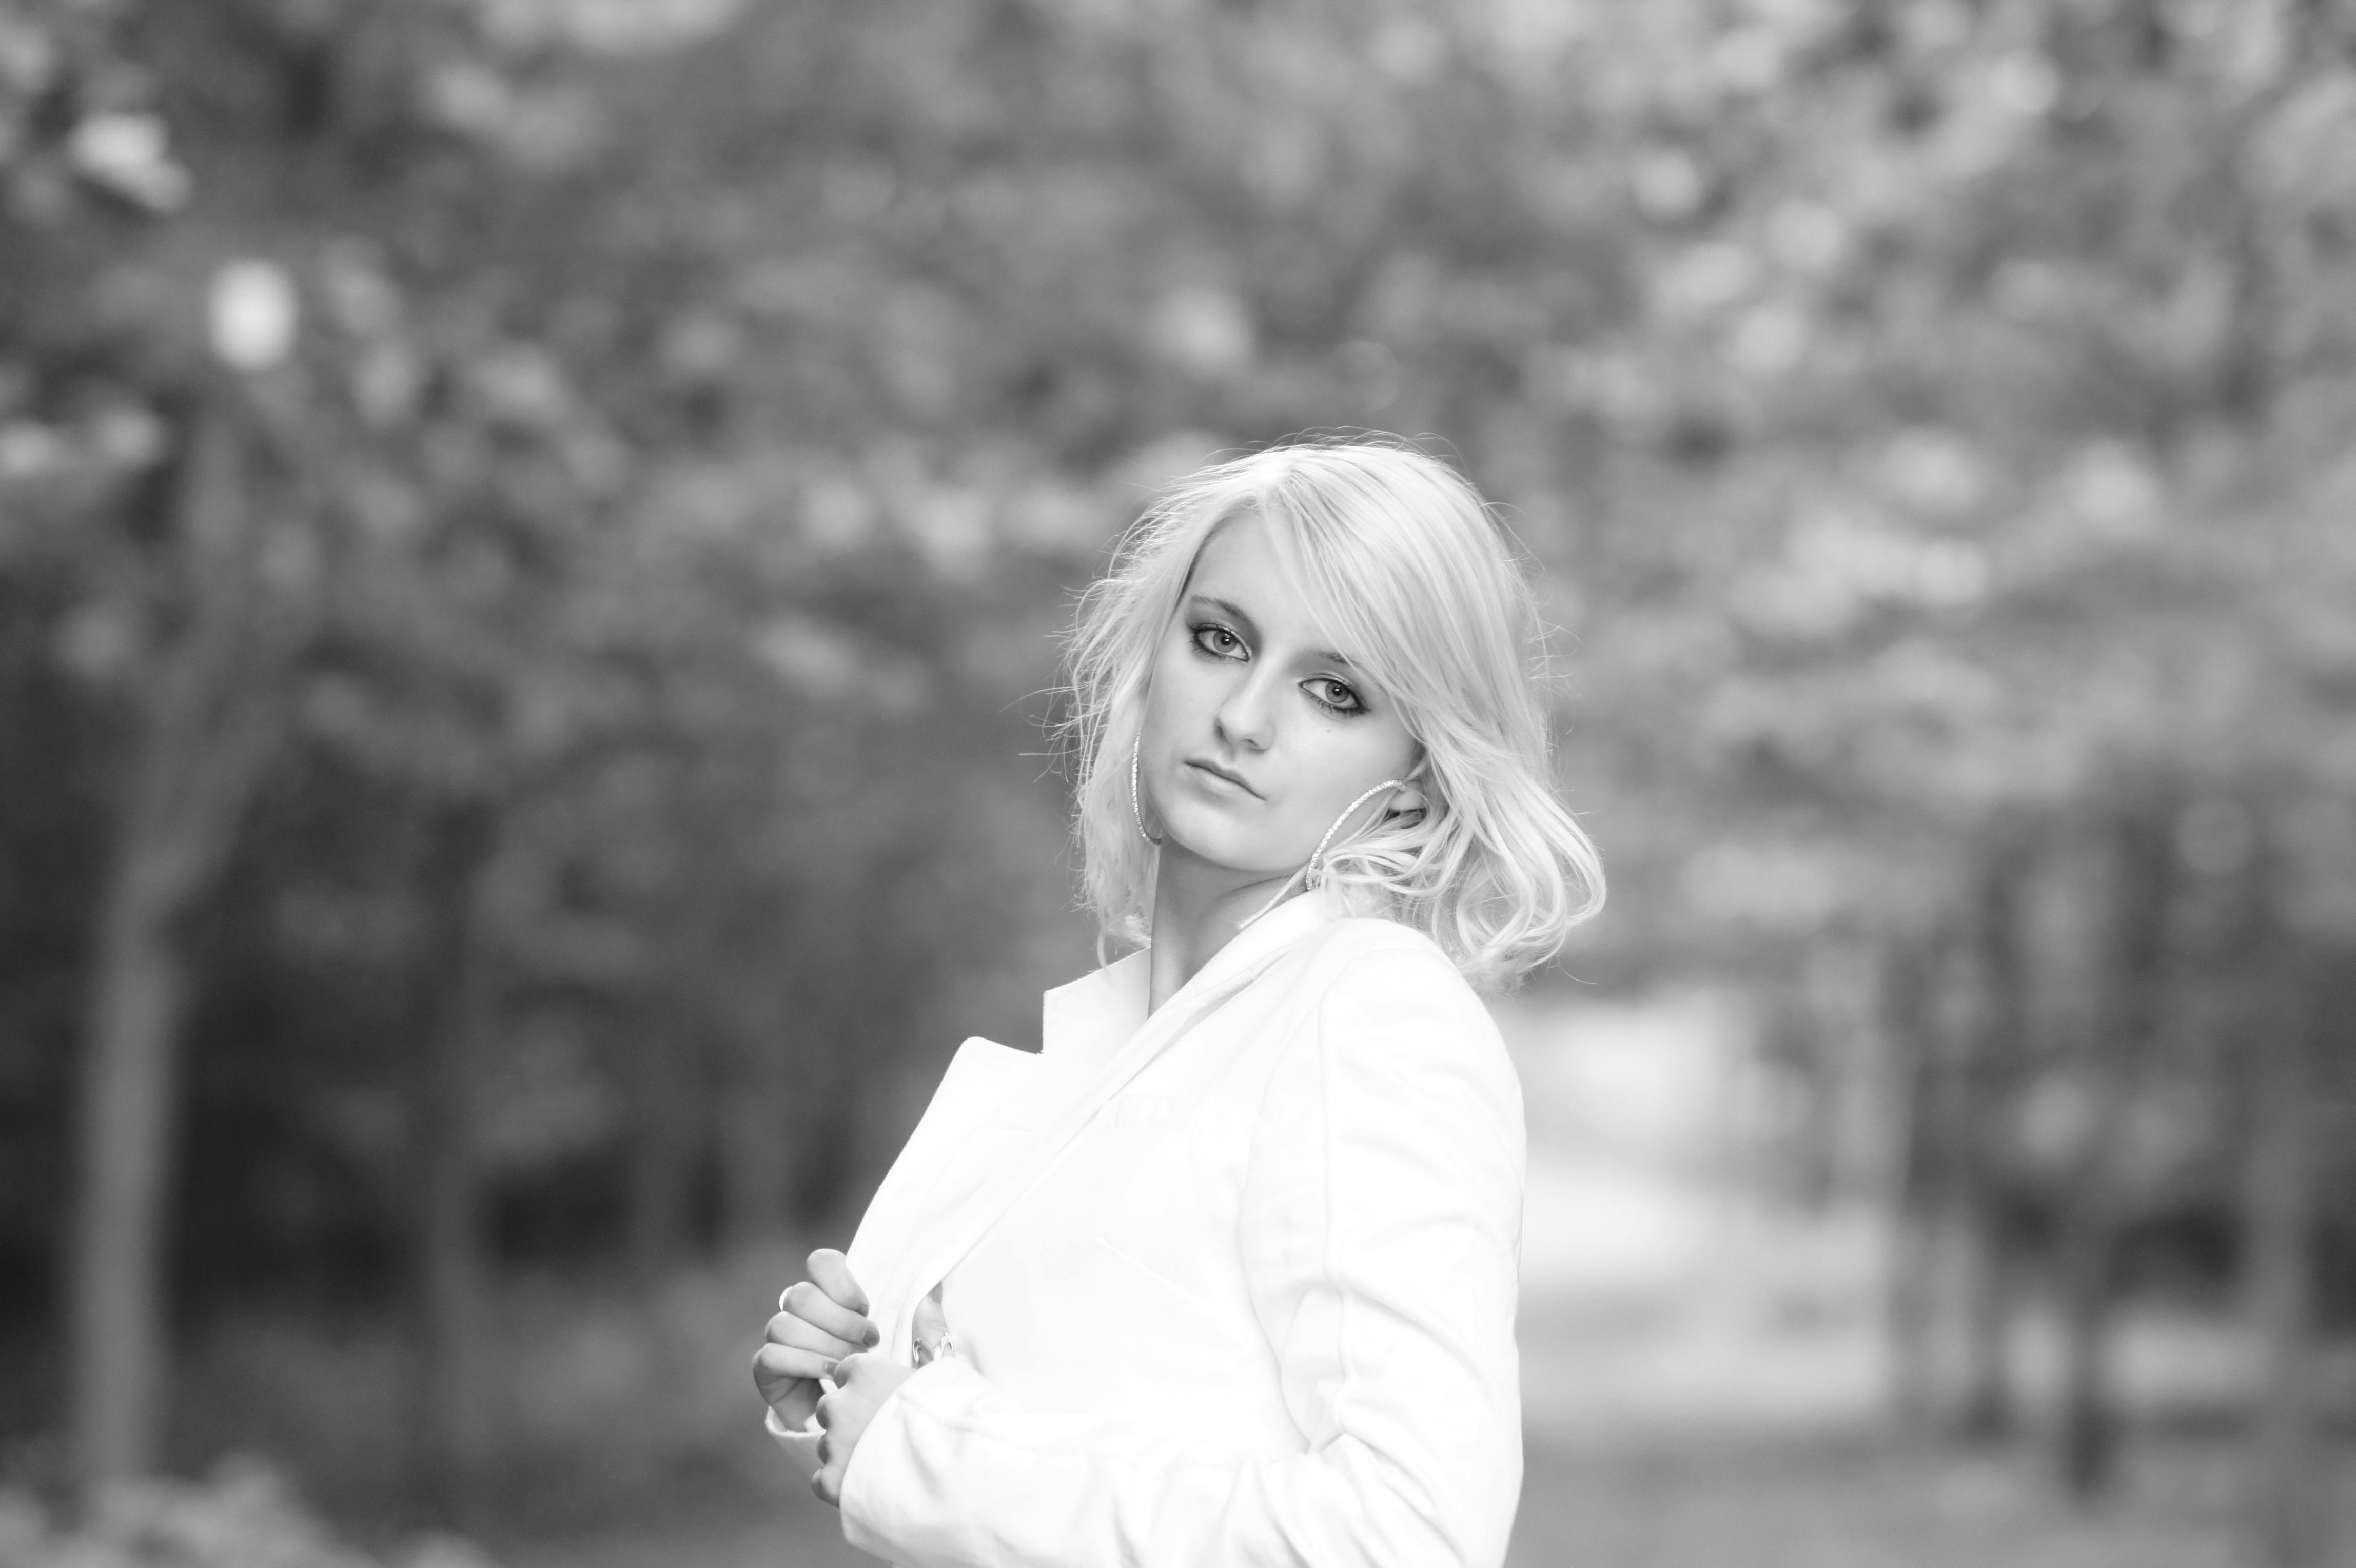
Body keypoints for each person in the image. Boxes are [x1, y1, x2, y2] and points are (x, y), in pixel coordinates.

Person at [751, 436, 1603, 1567]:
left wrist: (926, 1451)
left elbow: (1409, 1535)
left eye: (1336, 692)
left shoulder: (1369, 1012)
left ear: (1416, 780)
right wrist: (854, 1385)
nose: (1244, 715)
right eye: (1221, 640)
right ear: (1154, 659)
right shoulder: (1142, 1038)